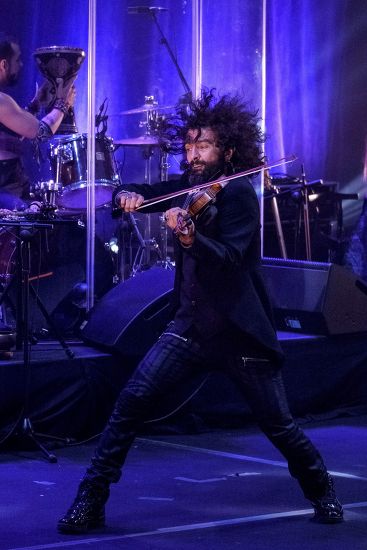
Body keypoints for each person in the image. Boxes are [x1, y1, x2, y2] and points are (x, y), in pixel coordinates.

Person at [58, 90, 343, 534]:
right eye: (189, 145)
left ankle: (321, 489)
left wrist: (190, 237)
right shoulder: (190, 187)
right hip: (189, 328)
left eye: (203, 146)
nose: (193, 155)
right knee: (130, 403)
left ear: (227, 151)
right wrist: (128, 194)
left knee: (279, 426)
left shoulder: (241, 197)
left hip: (238, 332)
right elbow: (150, 192)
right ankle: (90, 500)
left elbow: (230, 259)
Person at [0, 33, 75, 208]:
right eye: (17, 60)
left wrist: (35, 105)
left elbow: (13, 130)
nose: (21, 65)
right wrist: (63, 104)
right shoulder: (2, 101)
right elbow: (41, 132)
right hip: (6, 189)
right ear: (3, 64)